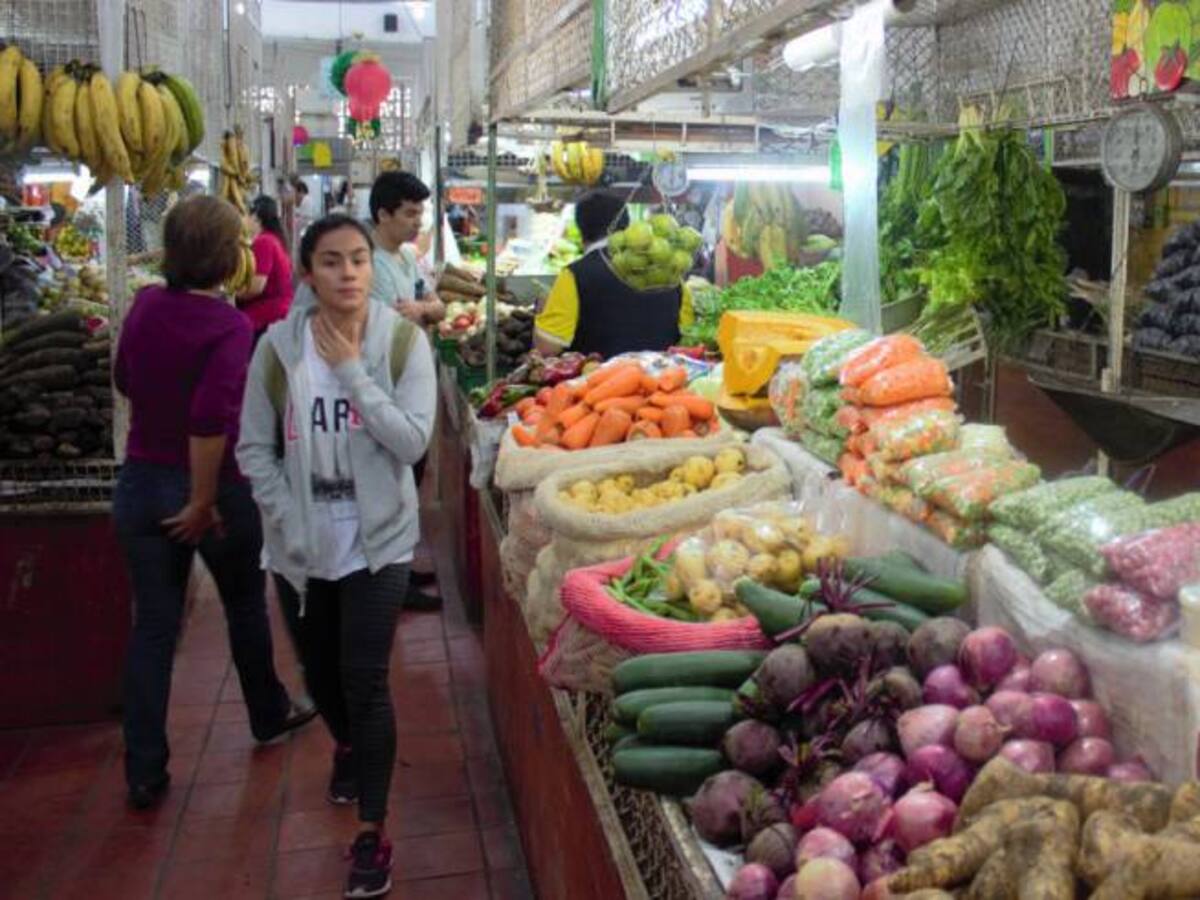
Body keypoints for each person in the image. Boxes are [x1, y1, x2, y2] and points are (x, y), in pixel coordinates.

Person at [237, 214, 437, 899]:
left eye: (357, 259)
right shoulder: (277, 349)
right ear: (308, 271)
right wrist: (287, 520)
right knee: (319, 677)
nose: (348, 273)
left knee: (365, 680)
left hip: (379, 543)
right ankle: (345, 744)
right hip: (300, 547)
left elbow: (411, 442)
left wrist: (353, 373)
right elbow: (253, 449)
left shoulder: (403, 343)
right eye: (331, 261)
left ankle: (372, 833)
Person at [113, 195, 315, 811]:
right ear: (225, 256)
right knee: (244, 607)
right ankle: (267, 711)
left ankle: (143, 769)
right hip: (213, 491)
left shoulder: (146, 305)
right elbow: (209, 421)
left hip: (141, 483)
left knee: (153, 627)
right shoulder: (227, 326)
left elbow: (123, 377)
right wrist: (201, 501)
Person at [293, 171, 444, 609]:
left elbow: (432, 304)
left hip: (400, 391)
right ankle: (385, 584)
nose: (418, 222)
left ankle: (397, 571)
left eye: (421, 213)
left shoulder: (404, 258)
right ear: (383, 214)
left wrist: (423, 309)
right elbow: (379, 331)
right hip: (374, 396)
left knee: (403, 486)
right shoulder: (369, 265)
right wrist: (420, 313)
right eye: (410, 213)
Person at [534, 190, 695, 357]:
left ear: (581, 230)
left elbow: (548, 348)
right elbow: (689, 336)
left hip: (596, 381)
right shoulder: (670, 274)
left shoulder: (575, 275)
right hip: (665, 380)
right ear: (626, 226)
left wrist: (542, 313)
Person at [237, 195, 294, 341]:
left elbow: (256, 287)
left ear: (256, 217)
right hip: (280, 313)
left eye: (245, 215)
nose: (243, 221)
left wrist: (232, 295)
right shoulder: (275, 239)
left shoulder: (264, 242)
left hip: (267, 316)